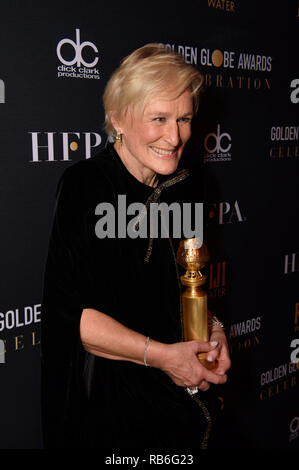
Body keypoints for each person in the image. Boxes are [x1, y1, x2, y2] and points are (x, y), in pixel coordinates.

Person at [41, 43, 231, 449]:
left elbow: (189, 280)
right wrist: (164, 357)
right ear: (117, 119)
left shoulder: (190, 183)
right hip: (109, 402)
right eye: (158, 118)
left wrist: (213, 331)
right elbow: (74, 318)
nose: (175, 136)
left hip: (177, 396)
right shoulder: (87, 186)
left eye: (184, 119)